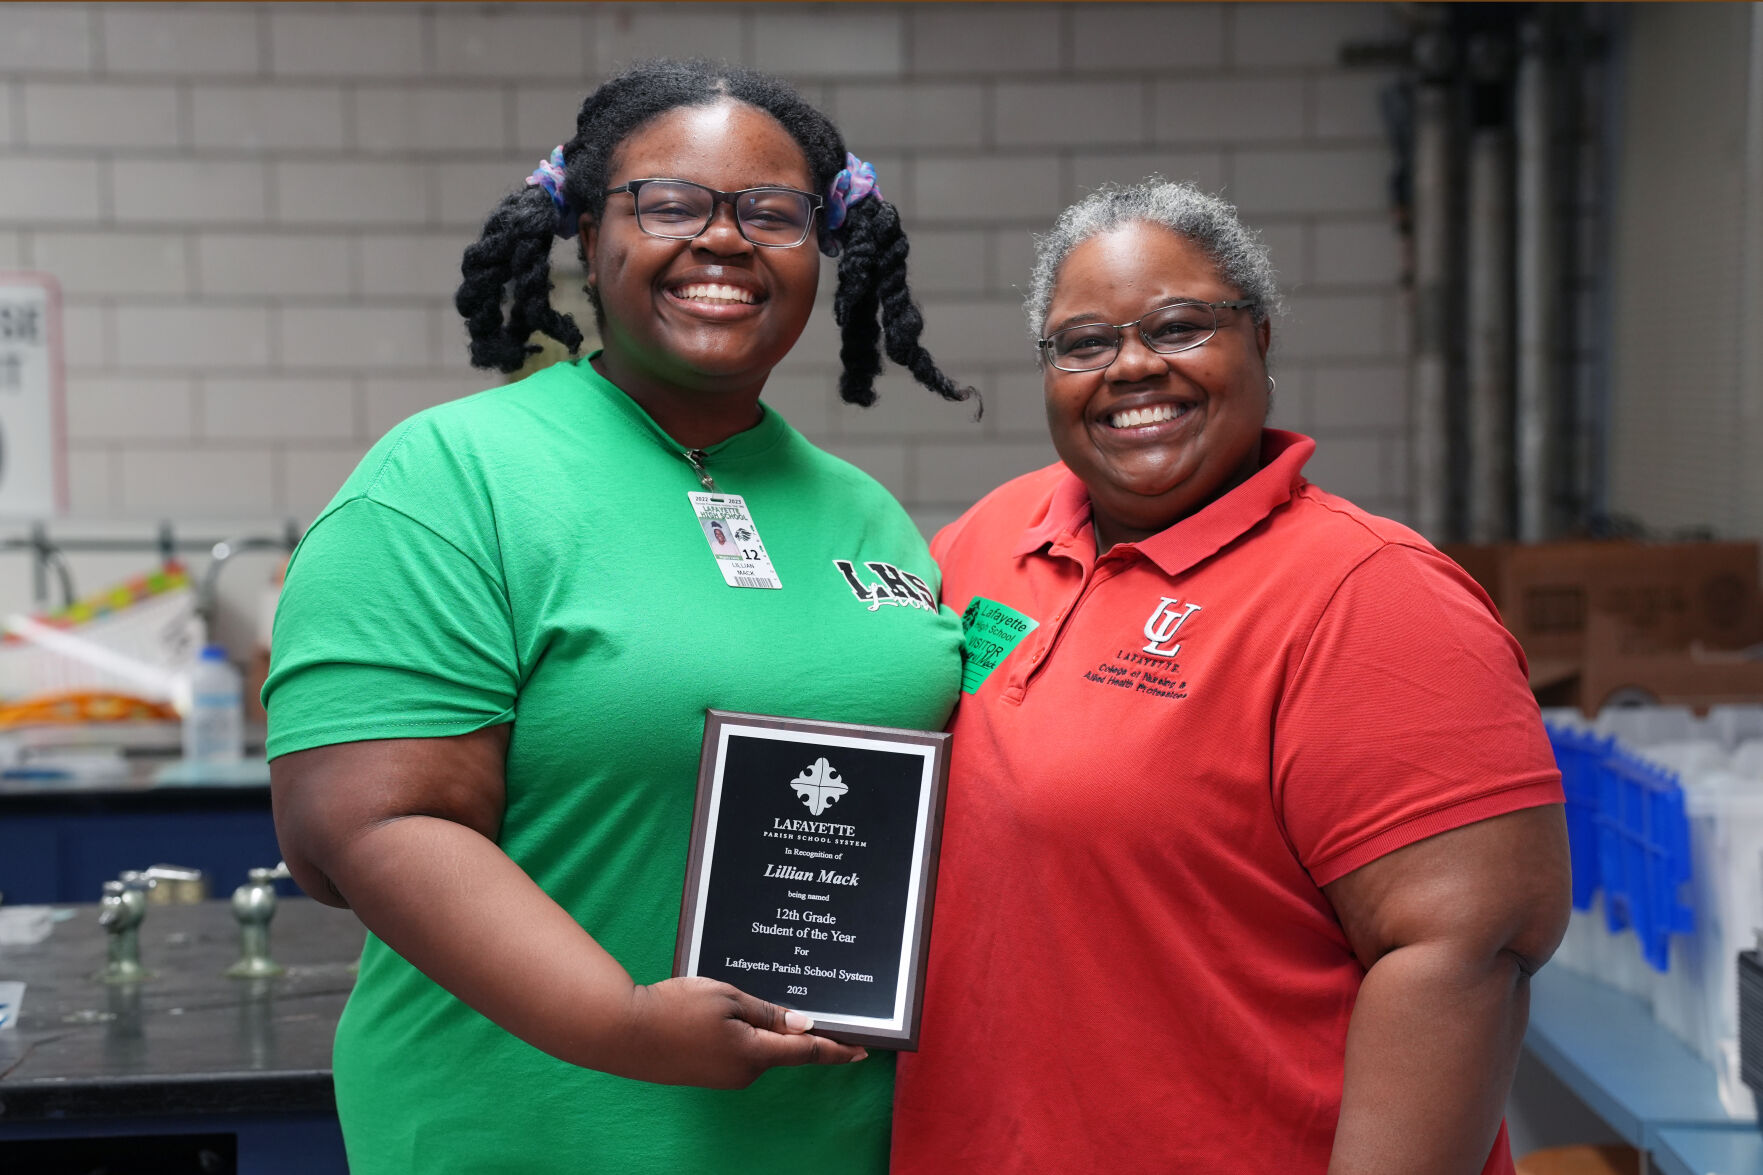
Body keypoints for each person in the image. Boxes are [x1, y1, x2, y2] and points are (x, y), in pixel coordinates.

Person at [264, 60, 972, 1174]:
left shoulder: (862, 513)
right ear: (587, 234)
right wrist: (624, 1018)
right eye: (670, 204)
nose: (725, 240)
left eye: (771, 212)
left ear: (820, 250)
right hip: (530, 1135)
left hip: (821, 1140)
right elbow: (356, 827)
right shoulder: (451, 479)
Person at [891, 180, 1571, 1175]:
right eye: (1082, 343)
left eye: (1176, 326)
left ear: (1257, 337)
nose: (1129, 366)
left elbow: (1463, 957)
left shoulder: (1367, 595)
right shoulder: (995, 535)